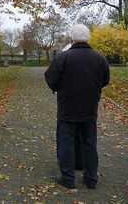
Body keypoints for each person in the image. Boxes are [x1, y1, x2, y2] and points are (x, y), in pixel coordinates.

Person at [45, 24, 110, 189]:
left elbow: (51, 79)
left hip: (68, 107)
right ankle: (90, 178)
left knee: (66, 141)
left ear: (71, 39)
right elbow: (105, 80)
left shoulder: (63, 57)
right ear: (87, 38)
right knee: (89, 142)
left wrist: (58, 87)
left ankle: (68, 177)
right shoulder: (100, 58)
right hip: (89, 107)